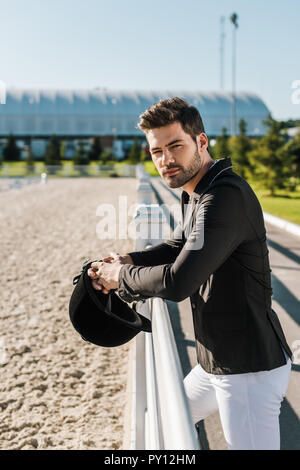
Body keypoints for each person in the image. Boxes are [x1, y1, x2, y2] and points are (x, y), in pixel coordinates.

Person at [87, 97, 292, 450]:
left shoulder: (223, 197)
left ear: (201, 141)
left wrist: (120, 277)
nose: (165, 160)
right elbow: (174, 247)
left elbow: (178, 281)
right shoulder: (197, 192)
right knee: (164, 423)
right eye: (157, 152)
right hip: (218, 362)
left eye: (175, 146)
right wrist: (124, 259)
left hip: (247, 371)